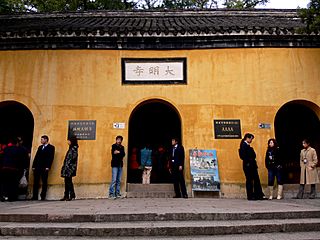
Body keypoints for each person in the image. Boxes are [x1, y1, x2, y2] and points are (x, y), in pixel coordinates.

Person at [239, 133, 265, 200]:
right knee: (250, 180)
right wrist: (249, 161)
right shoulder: (244, 146)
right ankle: (251, 196)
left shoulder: (247, 146)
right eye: (251, 139)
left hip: (252, 165)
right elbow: (244, 156)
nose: (251, 140)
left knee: (255, 180)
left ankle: (258, 195)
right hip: (249, 166)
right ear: (247, 138)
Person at [32, 135, 55, 201]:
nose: (41, 141)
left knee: (44, 182)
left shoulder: (51, 147)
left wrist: (48, 166)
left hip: (45, 167)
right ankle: (35, 196)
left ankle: (43, 196)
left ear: (46, 140)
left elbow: (51, 157)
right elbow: (36, 157)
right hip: (37, 167)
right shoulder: (40, 147)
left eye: (42, 139)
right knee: (36, 182)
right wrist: (34, 166)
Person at [60, 136, 79, 201]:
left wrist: (68, 166)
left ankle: (72, 195)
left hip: (69, 168)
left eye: (69, 140)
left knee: (69, 182)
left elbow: (72, 159)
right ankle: (66, 195)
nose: (68, 142)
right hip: (67, 168)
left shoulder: (74, 149)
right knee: (67, 181)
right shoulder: (71, 148)